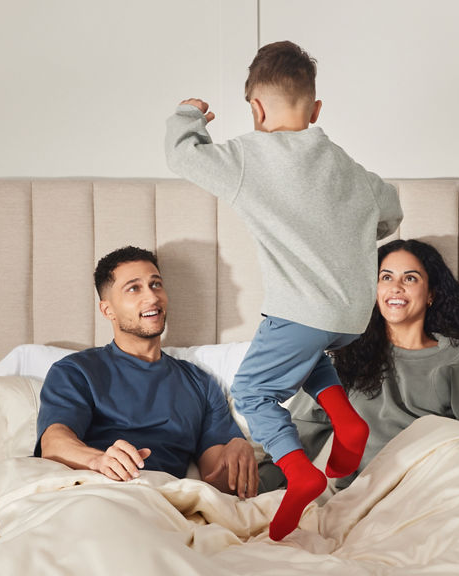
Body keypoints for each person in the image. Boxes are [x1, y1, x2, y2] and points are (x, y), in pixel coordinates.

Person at [164, 40, 403, 540]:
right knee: (303, 353)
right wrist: (351, 236)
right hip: (350, 314)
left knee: (253, 389)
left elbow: (184, 155)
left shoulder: (250, 157)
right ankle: (348, 422)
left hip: (301, 308)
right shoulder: (343, 163)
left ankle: (300, 472)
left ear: (254, 108)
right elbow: (391, 209)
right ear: (316, 110)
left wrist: (189, 114)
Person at [268, 239, 459, 491]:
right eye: (386, 278)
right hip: (364, 497)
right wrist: (251, 483)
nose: (396, 287)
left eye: (410, 279)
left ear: (431, 293)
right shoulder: (343, 360)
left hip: (439, 491)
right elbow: (298, 434)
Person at [35, 246, 258, 499]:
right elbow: (53, 444)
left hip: (162, 502)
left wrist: (237, 452)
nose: (152, 297)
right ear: (108, 310)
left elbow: (217, 481)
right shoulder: (76, 371)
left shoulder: (200, 383)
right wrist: (99, 460)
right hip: (91, 492)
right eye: (134, 288)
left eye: (156, 284)